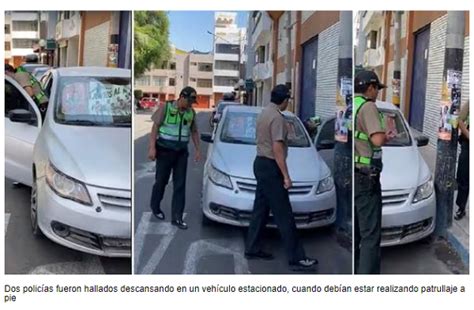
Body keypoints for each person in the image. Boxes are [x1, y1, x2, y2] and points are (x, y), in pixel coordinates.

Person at [244, 84, 317, 271]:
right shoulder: (277, 117)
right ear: (284, 100)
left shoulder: (264, 113)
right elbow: (277, 148)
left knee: (260, 210)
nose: (287, 103)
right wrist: (286, 176)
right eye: (288, 100)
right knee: (284, 214)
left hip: (260, 163)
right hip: (271, 166)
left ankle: (252, 248)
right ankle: (297, 258)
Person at [148, 86, 201, 230]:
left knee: (180, 185)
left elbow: (194, 131)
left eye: (192, 102)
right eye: (189, 101)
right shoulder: (166, 108)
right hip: (164, 151)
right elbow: (155, 128)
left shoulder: (191, 113)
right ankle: (155, 206)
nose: (190, 104)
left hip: (181, 153)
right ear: (182, 97)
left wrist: (197, 149)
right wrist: (152, 148)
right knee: (161, 181)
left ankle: (177, 217)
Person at [354, 70, 388, 274]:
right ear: (370, 88)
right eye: (377, 89)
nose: (378, 93)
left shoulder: (352, 105)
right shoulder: (368, 107)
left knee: (359, 231)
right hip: (367, 177)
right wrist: (386, 135)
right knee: (370, 235)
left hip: (355, 173)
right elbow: (376, 140)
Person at [455, 101, 469, 220]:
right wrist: (469, 135)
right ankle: (461, 207)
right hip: (468, 145)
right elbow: (460, 120)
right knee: (463, 176)